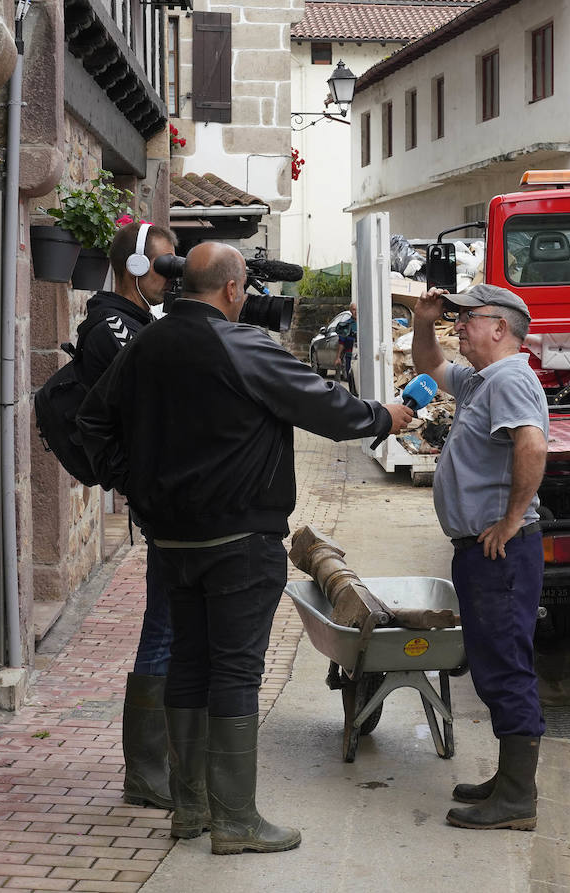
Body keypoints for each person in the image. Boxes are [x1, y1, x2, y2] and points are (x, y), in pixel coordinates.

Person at [77, 242, 414, 855]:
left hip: (171, 538)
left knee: (188, 663)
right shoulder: (243, 345)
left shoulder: (146, 342)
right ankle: (235, 821)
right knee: (233, 670)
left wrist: (135, 483)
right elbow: (328, 410)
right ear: (234, 289)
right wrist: (385, 417)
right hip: (238, 539)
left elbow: (93, 420)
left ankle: (190, 810)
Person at [411, 282, 549, 831]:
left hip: (501, 552)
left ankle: (517, 799)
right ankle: (510, 781)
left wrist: (512, 518)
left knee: (504, 667)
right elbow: (429, 362)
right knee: (494, 663)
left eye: (470, 318)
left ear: (501, 328)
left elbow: (532, 445)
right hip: (484, 553)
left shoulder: (511, 377)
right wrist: (423, 321)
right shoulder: (480, 380)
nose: (459, 324)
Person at [76, 220, 179, 812]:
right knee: (162, 628)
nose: (171, 277)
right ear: (135, 267)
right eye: (163, 266)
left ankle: (163, 760)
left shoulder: (139, 320)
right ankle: (145, 772)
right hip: (157, 494)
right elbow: (146, 401)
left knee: (172, 624)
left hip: (165, 492)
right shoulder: (113, 325)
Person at [333, 302, 358, 379]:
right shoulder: (346, 325)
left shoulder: (366, 323)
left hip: (364, 356)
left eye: (357, 309)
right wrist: (338, 358)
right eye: (354, 310)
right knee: (352, 378)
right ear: (350, 311)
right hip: (351, 357)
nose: (356, 312)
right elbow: (341, 343)